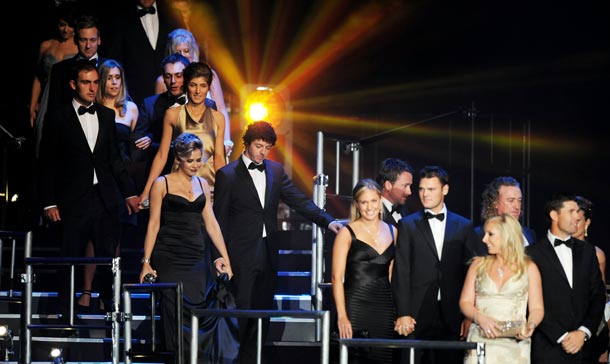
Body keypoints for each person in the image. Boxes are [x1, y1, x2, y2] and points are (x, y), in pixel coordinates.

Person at [212, 121, 343, 363]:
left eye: (267, 147)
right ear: (247, 144)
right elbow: (217, 221)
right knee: (242, 312)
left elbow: (299, 201)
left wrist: (328, 221)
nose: (262, 152)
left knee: (264, 312)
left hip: (269, 251)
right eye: (258, 146)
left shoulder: (276, 171)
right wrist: (219, 256)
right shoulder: (227, 175)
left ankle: (256, 359)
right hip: (239, 255)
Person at [39, 59, 140, 323]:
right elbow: (47, 162)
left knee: (108, 258)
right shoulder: (58, 116)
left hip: (104, 198)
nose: (93, 87)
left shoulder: (106, 116)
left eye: (96, 82)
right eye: (86, 82)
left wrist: (129, 193)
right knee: (70, 257)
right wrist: (49, 202)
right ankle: (66, 313)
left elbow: (114, 160)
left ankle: (110, 309)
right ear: (74, 84)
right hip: (73, 199)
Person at [139, 132, 233, 359]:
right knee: (174, 312)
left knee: (199, 312)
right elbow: (153, 225)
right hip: (169, 255)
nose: (196, 165)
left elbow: (212, 224)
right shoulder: (162, 184)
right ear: (179, 158)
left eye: (199, 159)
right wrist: (146, 263)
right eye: (190, 160)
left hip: (197, 257)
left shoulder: (202, 183)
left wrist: (226, 259)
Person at [391, 165, 477, 364]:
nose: (424, 194)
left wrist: (469, 315)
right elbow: (401, 271)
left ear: (444, 190)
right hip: (416, 312)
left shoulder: (464, 226)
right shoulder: (408, 225)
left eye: (431, 189)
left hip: (453, 313)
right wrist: (403, 312)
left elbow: (470, 273)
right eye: (421, 189)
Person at [526, 193, 606, 363]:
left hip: (585, 349)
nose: (577, 216)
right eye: (571, 211)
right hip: (547, 348)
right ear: (554, 215)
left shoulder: (588, 252)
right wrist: (561, 336)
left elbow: (598, 296)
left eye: (578, 212)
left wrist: (583, 332)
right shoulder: (531, 253)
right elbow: (530, 302)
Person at [459, 214, 544, 364]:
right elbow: (465, 302)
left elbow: (537, 308)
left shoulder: (529, 268)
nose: (484, 239)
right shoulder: (478, 265)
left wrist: (531, 325)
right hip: (481, 341)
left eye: (490, 234)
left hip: (515, 346)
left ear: (507, 236)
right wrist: (480, 318)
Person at [139, 61, 226, 207]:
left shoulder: (218, 118)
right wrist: (146, 190)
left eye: (203, 86)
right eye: (193, 85)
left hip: (210, 190)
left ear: (208, 87)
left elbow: (219, 158)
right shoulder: (172, 115)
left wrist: (225, 191)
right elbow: (161, 155)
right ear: (186, 86)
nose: (198, 91)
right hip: (179, 189)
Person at [332, 178, 396, 363]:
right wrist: (342, 316)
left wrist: (396, 310)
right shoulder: (346, 233)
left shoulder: (393, 231)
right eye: (364, 202)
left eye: (374, 201)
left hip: (384, 309)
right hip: (355, 307)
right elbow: (337, 278)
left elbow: (391, 275)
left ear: (380, 201)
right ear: (357, 205)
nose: (369, 207)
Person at [152, 28, 233, 154]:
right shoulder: (163, 81)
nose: (183, 55)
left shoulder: (210, 75)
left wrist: (227, 142)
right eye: (178, 51)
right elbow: (158, 120)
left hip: (212, 146)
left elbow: (222, 110)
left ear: (193, 52)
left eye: (186, 51)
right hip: (180, 149)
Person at [104, 0, 171, 105]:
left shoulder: (170, 14)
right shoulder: (120, 18)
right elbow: (115, 59)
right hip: (135, 97)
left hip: (169, 95)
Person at [137, 53, 191, 176]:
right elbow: (137, 139)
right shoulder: (150, 104)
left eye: (178, 75)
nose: (173, 81)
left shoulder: (204, 104)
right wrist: (152, 138)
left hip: (197, 173)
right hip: (162, 173)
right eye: (168, 76)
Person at [29, 2, 78, 131]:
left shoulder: (80, 47)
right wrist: (33, 105)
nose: (66, 29)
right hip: (47, 99)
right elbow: (38, 78)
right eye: (62, 24)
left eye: (70, 25)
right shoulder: (46, 46)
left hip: (69, 100)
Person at [46, 14, 104, 118]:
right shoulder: (60, 70)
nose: (88, 46)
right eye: (83, 40)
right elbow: (54, 111)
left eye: (92, 40)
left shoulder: (112, 67)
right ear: (76, 40)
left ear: (99, 40)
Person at [574, 195, 608, 363]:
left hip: (589, 327)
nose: (573, 224)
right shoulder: (553, 252)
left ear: (587, 223)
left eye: (578, 220)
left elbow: (599, 296)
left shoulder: (596, 254)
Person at [375, 158, 414, 227]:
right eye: (405, 186)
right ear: (388, 185)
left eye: (410, 186)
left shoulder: (405, 211)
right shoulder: (373, 212)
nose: (409, 192)